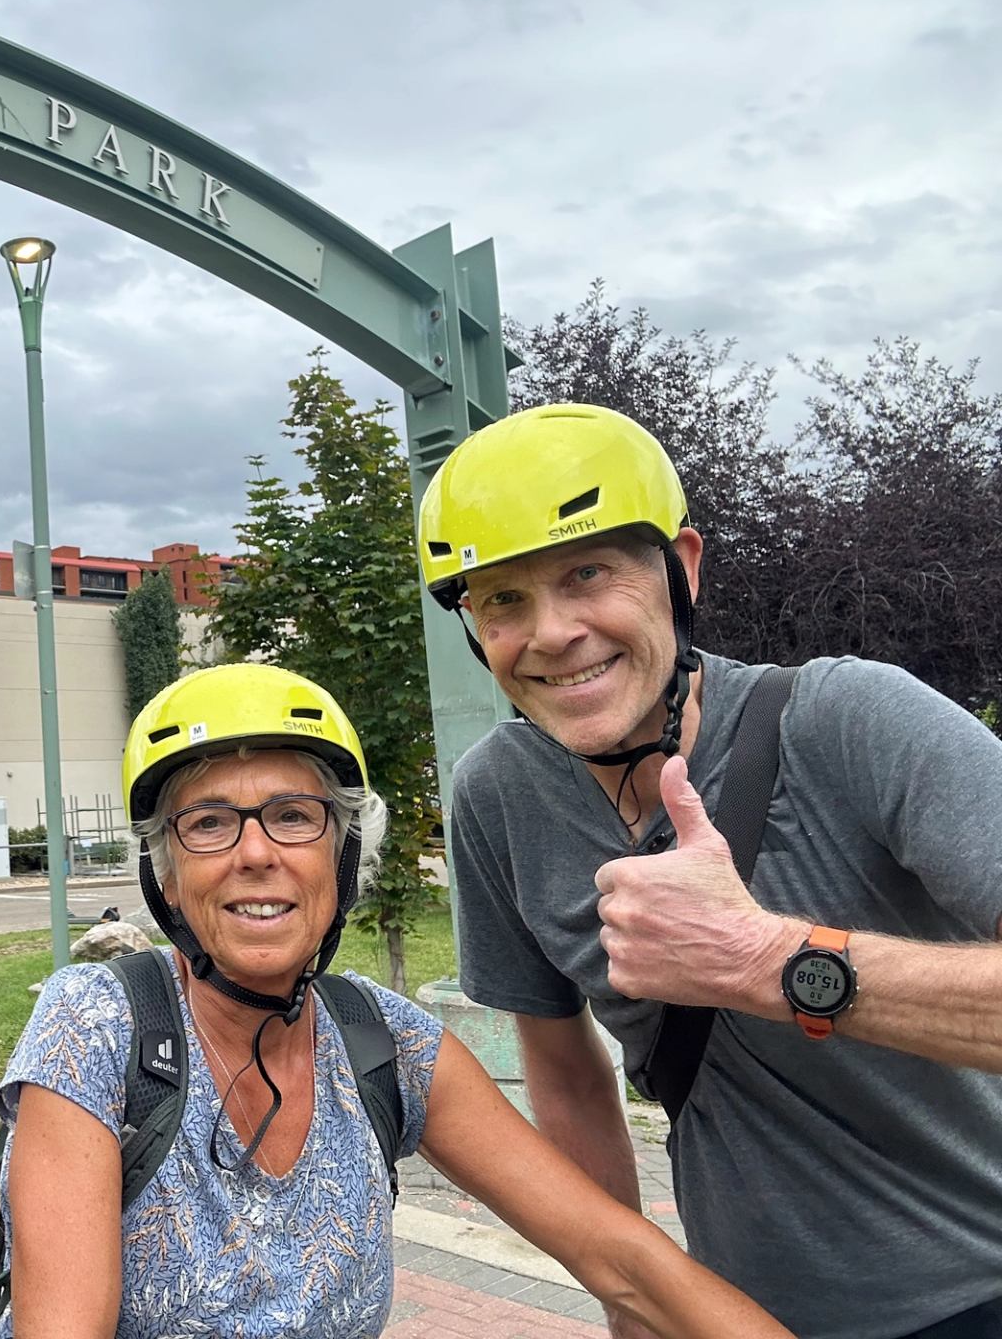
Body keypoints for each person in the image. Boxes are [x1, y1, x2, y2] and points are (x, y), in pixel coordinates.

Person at [417, 403, 1002, 1339]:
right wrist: (634, 1301)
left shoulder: (853, 721)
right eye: (502, 601)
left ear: (681, 569)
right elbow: (563, 1071)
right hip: (735, 1311)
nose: (553, 632)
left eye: (589, 573)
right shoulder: (497, 795)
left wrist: (767, 960)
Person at [0, 663, 792, 1339]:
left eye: (293, 817)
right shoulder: (99, 1024)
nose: (257, 854)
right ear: (164, 874)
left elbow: (619, 1256)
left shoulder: (380, 1041)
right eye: (207, 824)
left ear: (342, 858)